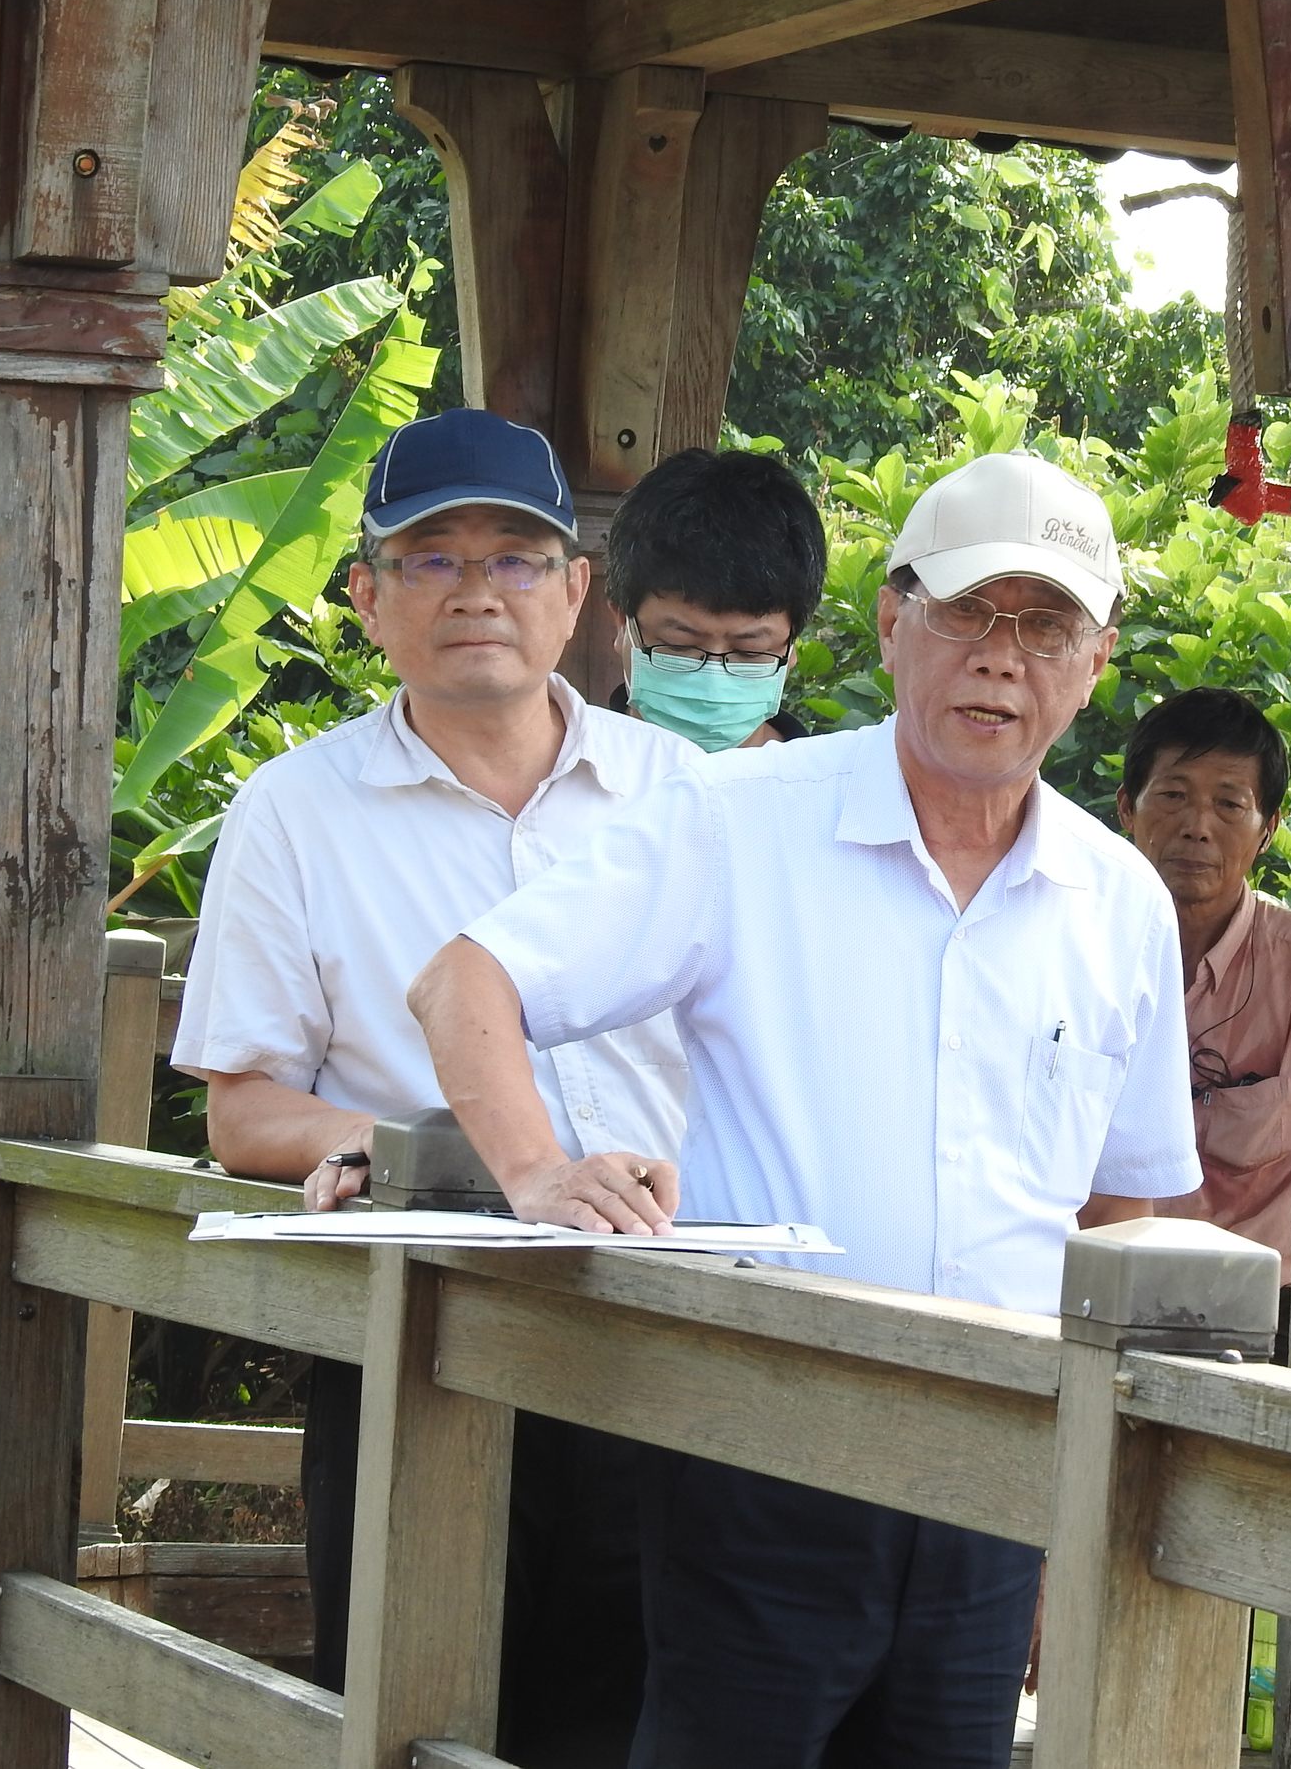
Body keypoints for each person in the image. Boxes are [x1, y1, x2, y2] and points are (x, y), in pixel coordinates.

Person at [409, 449, 1199, 1769]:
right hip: (760, 1449)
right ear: (895, 624)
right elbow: (464, 981)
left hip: (1000, 1474)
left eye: (1047, 627)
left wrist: (1094, 1520)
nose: (1001, 661)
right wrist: (538, 1171)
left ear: (1098, 659)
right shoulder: (740, 821)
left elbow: (1127, 1210)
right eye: (967, 615)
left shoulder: (1118, 902)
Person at [169, 408, 695, 1767]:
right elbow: (244, 1109)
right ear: (366, 598)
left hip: (669, 1331)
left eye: (519, 559)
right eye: (431, 559)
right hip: (415, 1342)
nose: (478, 591)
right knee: (409, 1712)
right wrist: (402, 1142)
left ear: (582, 594)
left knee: (643, 1719)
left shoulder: (680, 794)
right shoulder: (294, 811)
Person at [1117, 686, 1291, 1321]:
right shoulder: (1075, 951)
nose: (1197, 826)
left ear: (1269, 829)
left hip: (1265, 1314)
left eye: (1230, 804)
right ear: (1127, 808)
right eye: (1172, 796)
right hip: (1105, 1293)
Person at [605, 445, 827, 749]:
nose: (712, 682)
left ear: (791, 647)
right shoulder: (565, 784)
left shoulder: (827, 792)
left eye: (750, 651)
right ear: (622, 623)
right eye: (679, 646)